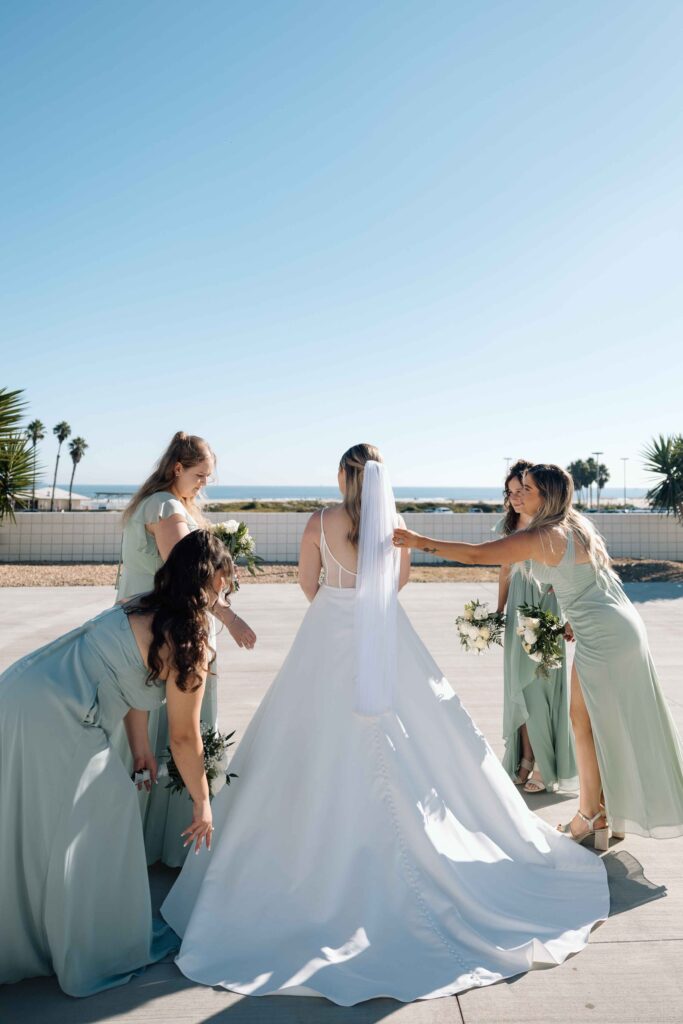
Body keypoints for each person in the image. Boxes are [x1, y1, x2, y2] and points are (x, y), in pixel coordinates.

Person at [160, 445, 608, 1006]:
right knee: (421, 736)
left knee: (299, 743)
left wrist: (338, 609)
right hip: (383, 629)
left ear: (341, 476)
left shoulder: (319, 522)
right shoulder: (394, 521)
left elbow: (308, 581)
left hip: (327, 630)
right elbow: (398, 583)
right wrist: (366, 609)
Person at [394, 463, 683, 846]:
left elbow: (479, 555)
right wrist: (573, 617)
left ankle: (590, 816)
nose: (519, 493)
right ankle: (603, 815)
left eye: (527, 488)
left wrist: (417, 541)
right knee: (593, 723)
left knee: (586, 724)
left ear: (545, 496)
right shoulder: (576, 524)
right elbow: (588, 578)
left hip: (603, 633)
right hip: (619, 623)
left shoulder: (543, 536)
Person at [0, 531, 232, 996]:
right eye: (226, 580)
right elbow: (185, 738)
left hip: (21, 687)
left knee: (32, 821)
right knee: (106, 818)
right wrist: (203, 802)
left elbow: (128, 670)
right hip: (62, 714)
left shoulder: (140, 603)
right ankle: (94, 946)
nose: (228, 590)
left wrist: (140, 744)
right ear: (211, 580)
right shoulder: (190, 640)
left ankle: (35, 935)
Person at [115, 431, 256, 866]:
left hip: (150, 628)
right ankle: (174, 841)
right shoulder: (166, 508)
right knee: (175, 733)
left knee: (159, 733)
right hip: (163, 637)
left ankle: (152, 840)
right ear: (178, 468)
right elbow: (187, 576)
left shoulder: (162, 503)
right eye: (199, 475)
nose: (203, 485)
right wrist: (230, 617)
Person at [495, 460, 576, 793]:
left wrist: (569, 614)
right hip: (517, 608)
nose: (516, 497)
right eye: (512, 492)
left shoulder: (556, 526)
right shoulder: (510, 526)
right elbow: (504, 570)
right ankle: (525, 757)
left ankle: (544, 762)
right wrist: (498, 610)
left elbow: (575, 570)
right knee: (520, 686)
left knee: (541, 685)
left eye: (522, 490)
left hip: (546, 607)